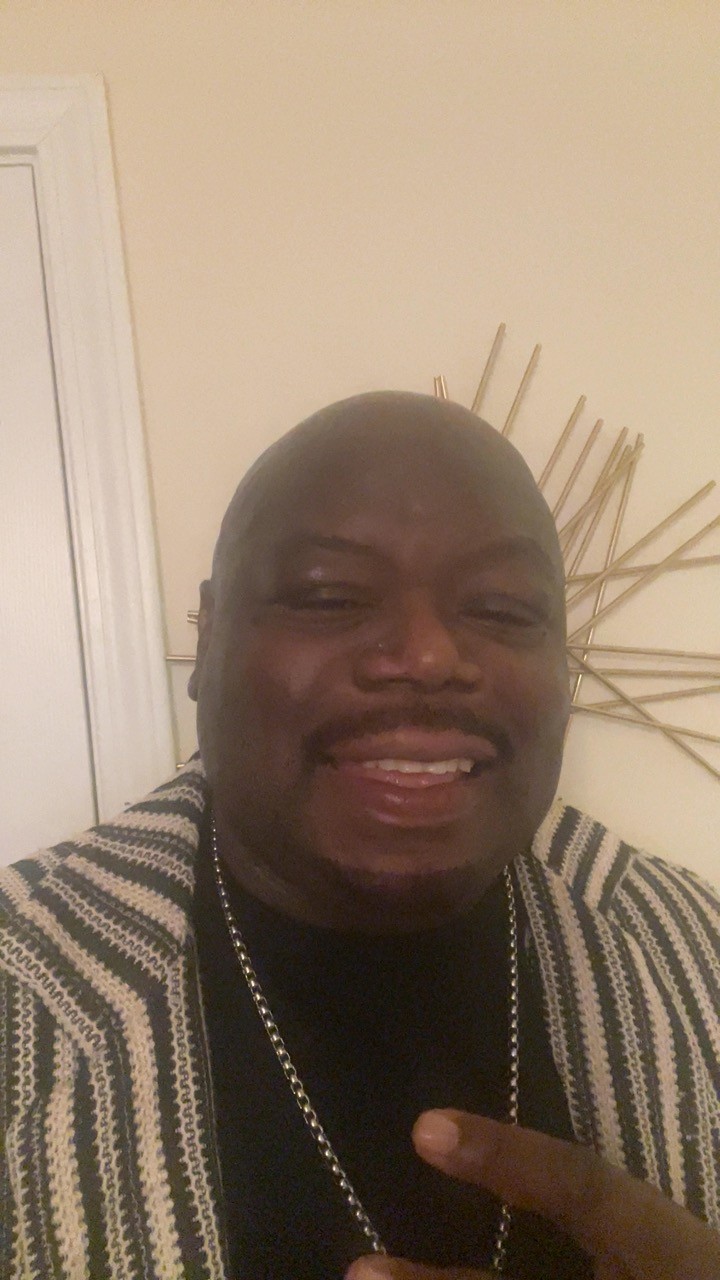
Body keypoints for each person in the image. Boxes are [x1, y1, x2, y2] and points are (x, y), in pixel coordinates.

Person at [0, 391, 718, 1280]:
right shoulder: (23, 985)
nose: (426, 657)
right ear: (209, 634)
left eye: (503, 609)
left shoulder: (693, 948)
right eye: (329, 596)